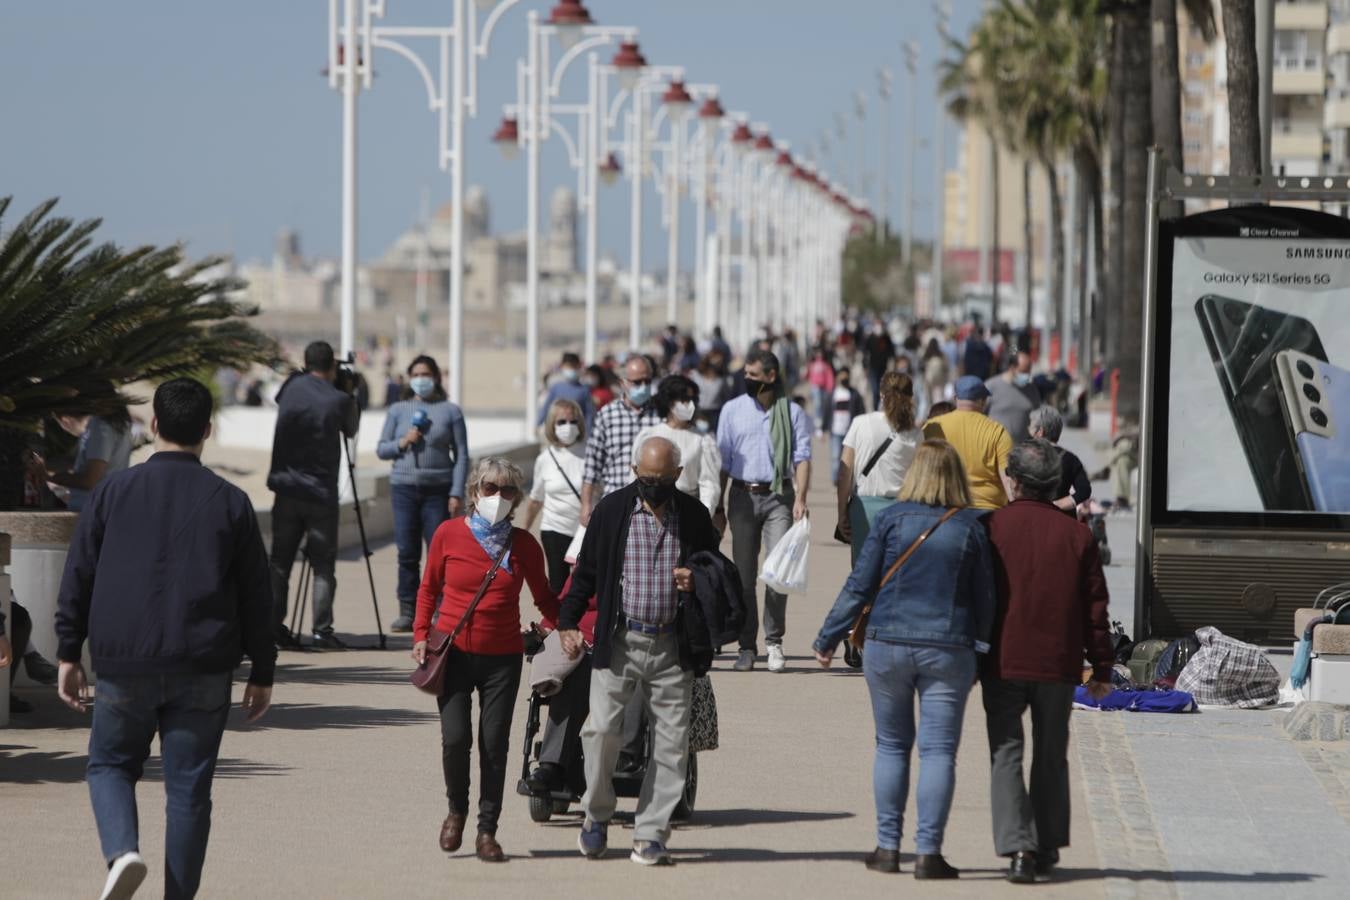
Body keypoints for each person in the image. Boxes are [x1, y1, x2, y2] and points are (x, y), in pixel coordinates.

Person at [54, 378, 275, 900]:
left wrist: (68, 651)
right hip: (203, 665)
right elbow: (257, 596)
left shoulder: (112, 491)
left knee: (109, 764)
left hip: (123, 660)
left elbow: (78, 572)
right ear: (207, 430)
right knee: (189, 791)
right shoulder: (231, 502)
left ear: (153, 426)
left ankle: (123, 852)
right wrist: (262, 671)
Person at [813, 439, 996, 879]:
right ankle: (929, 853)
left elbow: (860, 584)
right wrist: (983, 652)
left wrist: (828, 637)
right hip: (948, 647)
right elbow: (986, 597)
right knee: (938, 753)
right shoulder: (971, 526)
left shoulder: (891, 519)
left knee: (891, 746)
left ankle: (888, 847)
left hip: (888, 644)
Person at [557, 436, 722, 866]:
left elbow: (716, 573)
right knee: (600, 732)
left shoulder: (695, 516)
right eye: (648, 479)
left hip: (672, 644)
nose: (655, 486)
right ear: (634, 473)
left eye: (664, 479)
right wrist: (568, 622)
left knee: (671, 744)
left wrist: (696, 581)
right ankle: (595, 817)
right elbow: (587, 572)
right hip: (620, 641)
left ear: (677, 476)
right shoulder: (612, 512)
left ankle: (650, 834)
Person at [412, 457, 558, 863]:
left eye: (508, 490)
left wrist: (556, 625)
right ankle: (456, 810)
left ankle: (487, 831)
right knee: (456, 738)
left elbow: (546, 597)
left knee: (494, 745)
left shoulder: (524, 545)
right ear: (475, 491)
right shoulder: (447, 534)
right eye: (490, 488)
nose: (498, 496)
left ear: (517, 498)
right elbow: (428, 589)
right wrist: (421, 634)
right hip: (453, 655)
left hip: (502, 659)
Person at [983, 439, 1114, 883]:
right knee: (1052, 753)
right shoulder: (1078, 535)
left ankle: (1018, 847)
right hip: (1058, 660)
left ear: (1014, 481)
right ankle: (1048, 844)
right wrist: (1101, 668)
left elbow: (978, 598)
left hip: (1003, 657)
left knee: (1006, 752)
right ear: (1054, 483)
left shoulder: (992, 527)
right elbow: (1096, 606)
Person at [716, 348, 812, 673]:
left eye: (754, 375)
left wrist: (801, 498)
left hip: (779, 497)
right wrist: (717, 502)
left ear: (771, 377)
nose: (747, 379)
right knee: (744, 576)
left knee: (777, 571)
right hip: (742, 497)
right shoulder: (731, 411)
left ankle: (774, 641)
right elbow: (723, 461)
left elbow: (801, 457)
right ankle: (747, 645)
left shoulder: (793, 413)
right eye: (745, 374)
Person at [266, 341, 360, 649]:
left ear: (307, 364)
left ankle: (273, 627)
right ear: (332, 366)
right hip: (320, 493)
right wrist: (348, 392)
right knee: (323, 565)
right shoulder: (338, 399)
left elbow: (284, 396)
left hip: (285, 489)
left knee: (279, 563)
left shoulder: (291, 386)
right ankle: (322, 630)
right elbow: (351, 429)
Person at [376, 355, 470, 632]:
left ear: (436, 378)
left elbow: (462, 455)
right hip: (403, 488)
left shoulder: (451, 411)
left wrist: (456, 492)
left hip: (438, 490)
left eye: (426, 374)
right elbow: (382, 449)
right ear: (409, 378)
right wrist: (403, 442)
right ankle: (408, 609)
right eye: (416, 374)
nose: (421, 379)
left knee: (439, 554)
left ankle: (443, 609)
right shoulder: (397, 410)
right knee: (407, 551)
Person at [837, 372, 923, 563]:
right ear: (910, 398)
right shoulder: (916, 434)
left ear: (882, 395)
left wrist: (842, 513)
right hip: (901, 510)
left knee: (863, 575)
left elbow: (844, 473)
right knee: (894, 573)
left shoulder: (860, 423)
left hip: (864, 509)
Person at [580, 354, 661, 525]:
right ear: (623, 382)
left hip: (654, 508)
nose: (644, 386)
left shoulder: (661, 414)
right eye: (637, 382)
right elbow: (592, 465)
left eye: (647, 381)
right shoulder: (607, 415)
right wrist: (586, 505)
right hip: (614, 504)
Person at [632, 375, 723, 516]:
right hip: (649, 510)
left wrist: (703, 516)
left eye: (692, 400)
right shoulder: (648, 435)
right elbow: (634, 478)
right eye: (684, 400)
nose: (689, 404)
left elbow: (709, 484)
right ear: (669, 402)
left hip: (687, 511)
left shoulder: (703, 440)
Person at [922, 376, 1012, 511]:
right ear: (982, 401)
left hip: (945, 507)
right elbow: (1008, 480)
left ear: (955, 398)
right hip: (987, 509)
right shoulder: (997, 431)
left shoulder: (932, 426)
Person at [524, 399, 587, 592]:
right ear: (552, 425)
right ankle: (557, 622)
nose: (568, 427)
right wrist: (524, 531)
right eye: (561, 422)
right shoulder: (545, 459)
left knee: (583, 585)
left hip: (585, 530)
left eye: (573, 421)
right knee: (558, 585)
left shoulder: (591, 453)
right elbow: (536, 499)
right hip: (554, 528)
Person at [46, 412, 133, 512]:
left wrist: (55, 478)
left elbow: (91, 480)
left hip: (92, 513)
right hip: (104, 509)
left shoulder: (100, 426)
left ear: (66, 421)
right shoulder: (118, 422)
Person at [1027, 406, 1091, 514]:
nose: (1028, 428)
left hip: (1034, 517)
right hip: (1064, 518)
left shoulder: (1026, 456)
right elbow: (1084, 490)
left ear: (1040, 431)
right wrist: (1058, 504)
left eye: (1031, 426)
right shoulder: (1071, 459)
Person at [983, 351, 1040, 443]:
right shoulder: (991, 386)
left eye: (1029, 372)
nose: (1027, 376)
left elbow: (1037, 416)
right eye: (1023, 372)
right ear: (1012, 368)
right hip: (995, 448)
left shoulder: (1031, 389)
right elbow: (978, 415)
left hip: (1021, 451)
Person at [538, 352, 596, 433]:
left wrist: (588, 432)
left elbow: (589, 413)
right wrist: (538, 424)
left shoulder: (584, 390)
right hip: (557, 432)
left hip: (577, 433)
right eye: (568, 366)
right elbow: (546, 408)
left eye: (573, 366)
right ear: (562, 366)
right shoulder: (556, 387)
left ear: (578, 367)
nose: (571, 369)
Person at [829, 367, 867, 485]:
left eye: (846, 376)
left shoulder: (854, 394)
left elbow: (861, 411)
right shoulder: (833, 394)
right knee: (836, 457)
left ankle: (847, 479)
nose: (844, 379)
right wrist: (823, 428)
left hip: (849, 431)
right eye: (841, 376)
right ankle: (836, 480)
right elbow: (827, 411)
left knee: (849, 458)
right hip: (835, 431)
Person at [688, 354, 729, 433]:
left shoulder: (722, 380)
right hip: (699, 411)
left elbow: (726, 397)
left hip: (715, 412)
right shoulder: (695, 376)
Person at [863, 321, 897, 409]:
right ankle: (875, 406)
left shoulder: (886, 338)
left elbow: (892, 353)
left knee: (882, 389)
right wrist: (865, 367)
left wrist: (892, 366)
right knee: (874, 389)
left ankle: (880, 406)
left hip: (883, 368)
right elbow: (865, 353)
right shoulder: (870, 338)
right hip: (873, 368)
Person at [807, 348, 836, 436]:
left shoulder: (826, 365)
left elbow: (829, 376)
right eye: (817, 353)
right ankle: (818, 426)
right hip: (815, 388)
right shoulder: (812, 364)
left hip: (824, 389)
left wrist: (830, 387)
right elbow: (809, 376)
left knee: (823, 407)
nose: (819, 354)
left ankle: (822, 424)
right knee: (817, 405)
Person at [922, 338, 950, 406]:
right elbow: (946, 367)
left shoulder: (926, 355)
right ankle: (939, 409)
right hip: (940, 378)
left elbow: (922, 367)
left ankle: (931, 408)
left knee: (929, 396)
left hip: (929, 377)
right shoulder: (941, 354)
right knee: (939, 395)